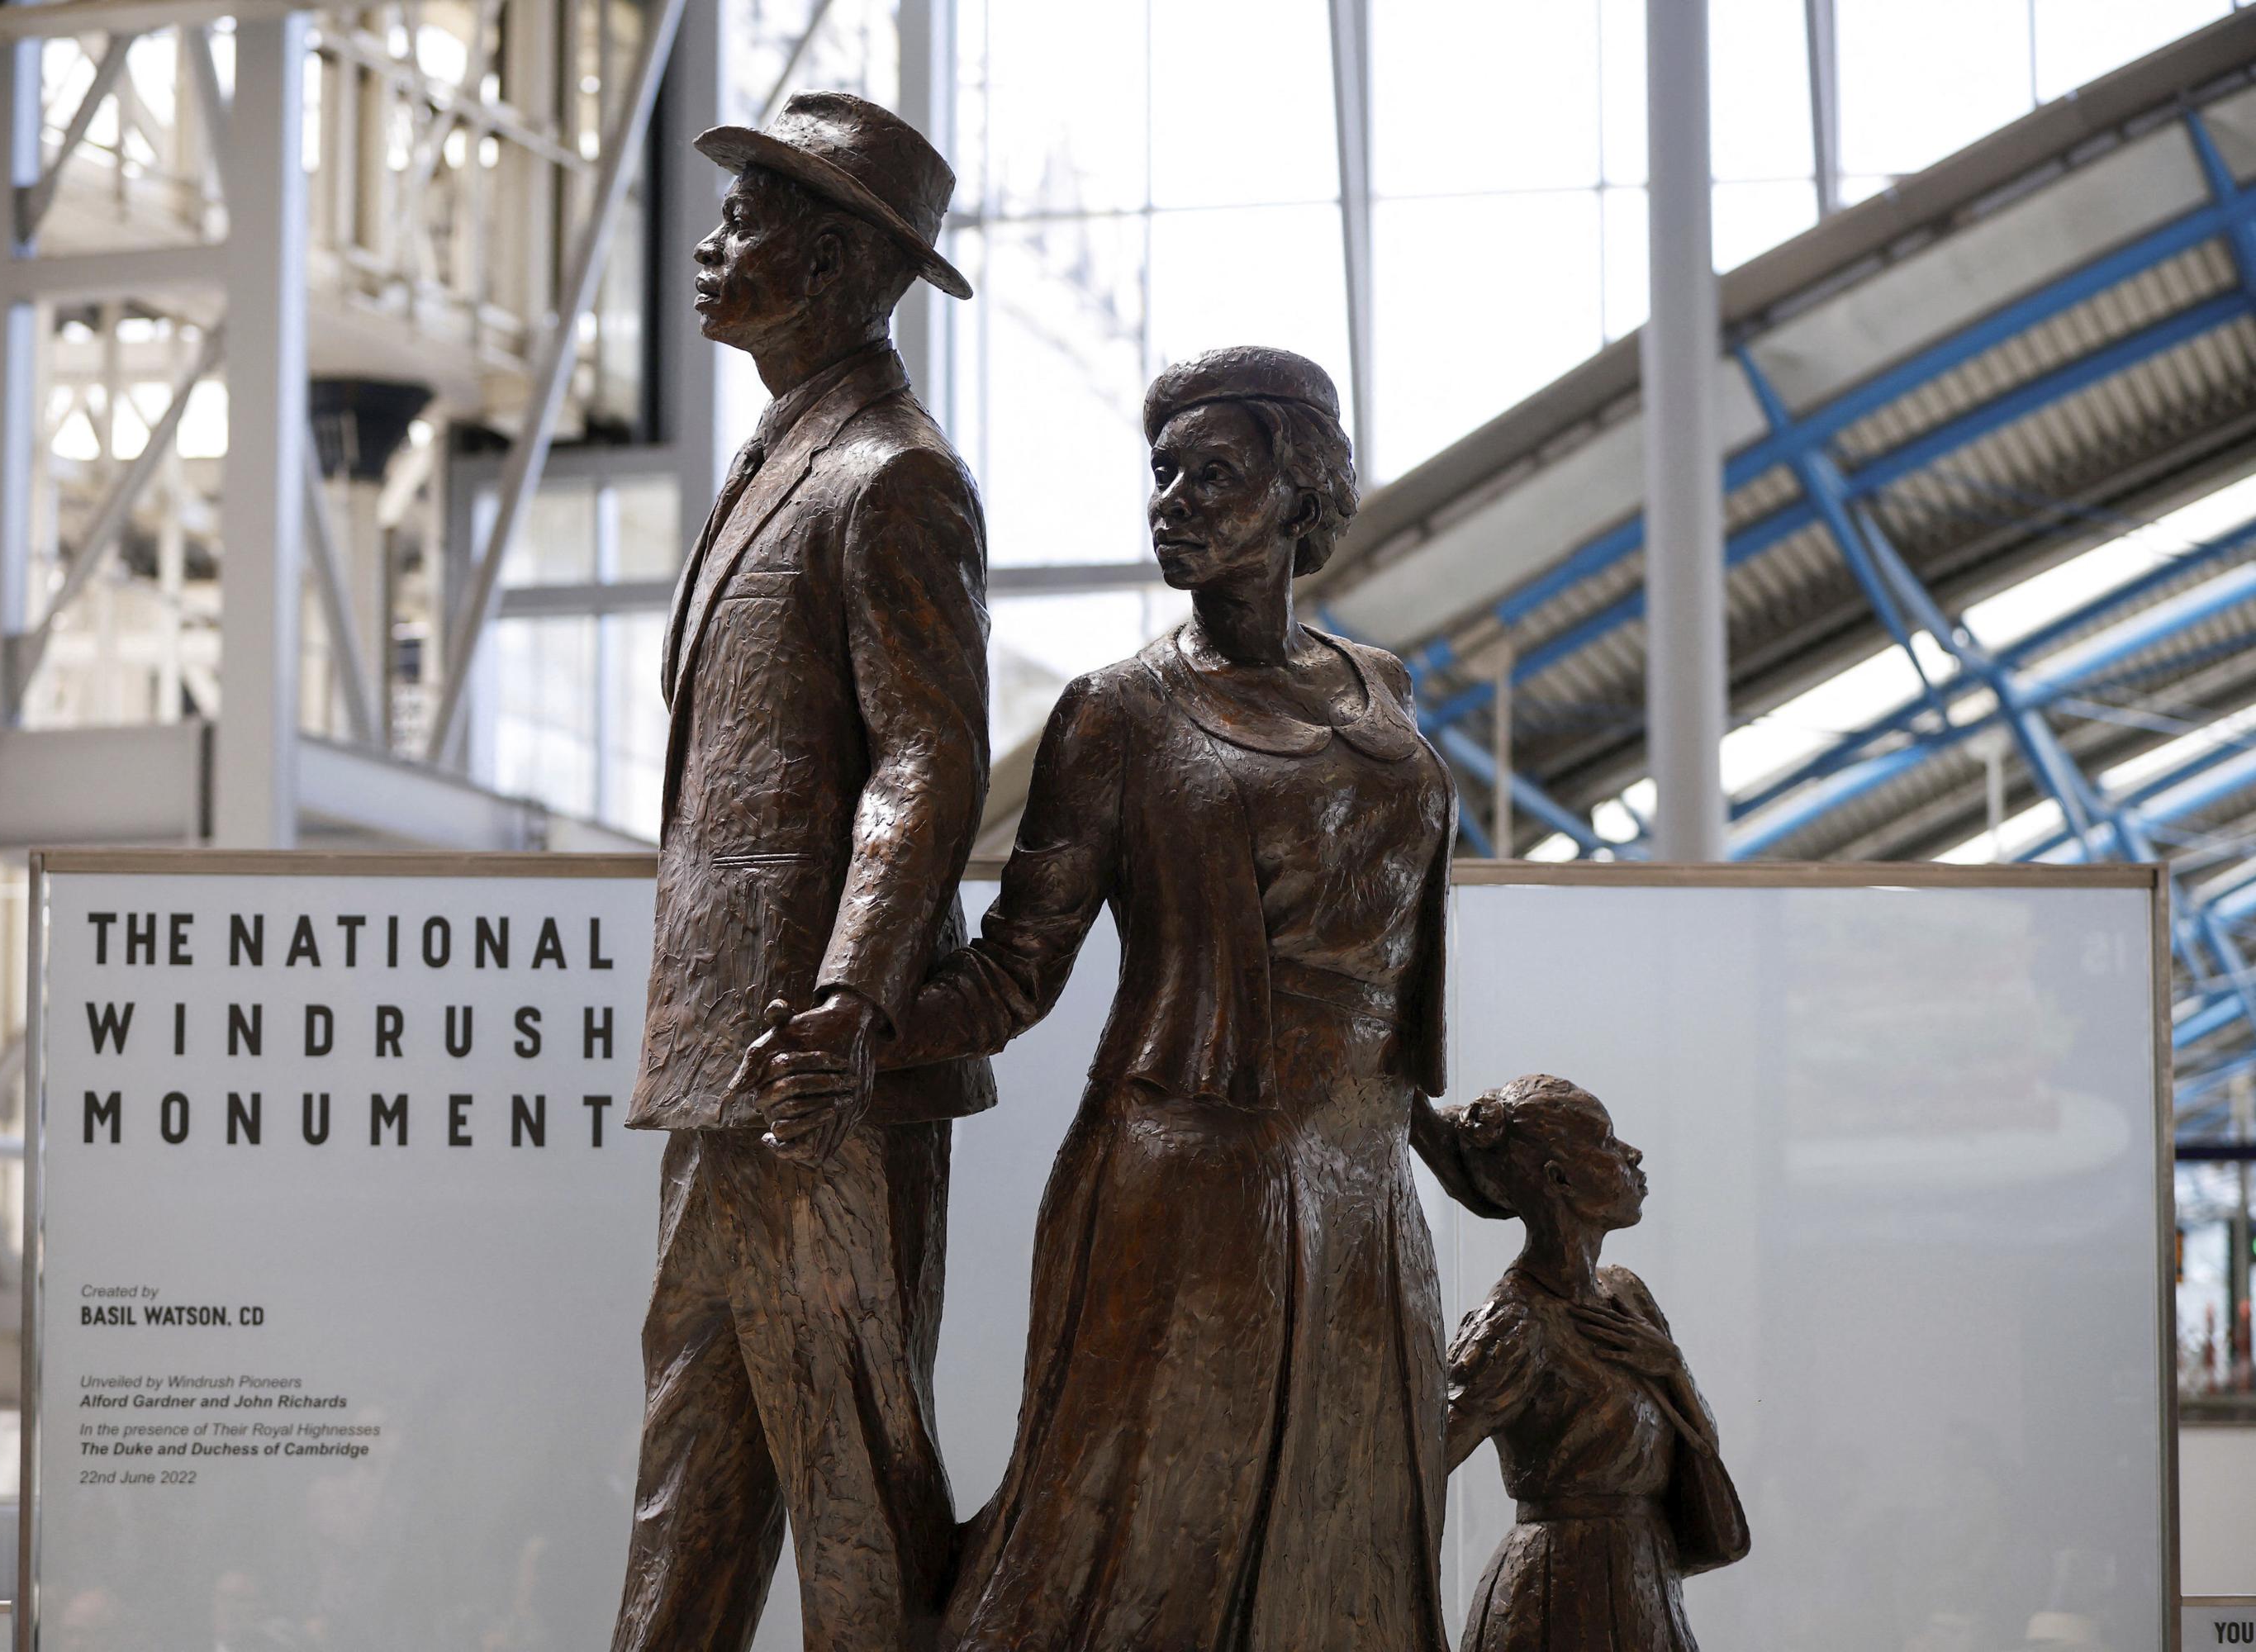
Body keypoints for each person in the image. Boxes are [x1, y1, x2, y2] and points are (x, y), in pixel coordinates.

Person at [742, 345, 1461, 1649]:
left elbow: (1386, 966)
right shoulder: (1117, 717)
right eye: (1165, 473)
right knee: (1136, 1540)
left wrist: (1438, 1133)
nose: (1175, 500)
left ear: (1302, 490)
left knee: (1350, 1520)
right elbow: (1020, 967)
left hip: (1363, 1180)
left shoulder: (1384, 691)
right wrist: (861, 1029)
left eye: (1217, 473)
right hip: (1186, 1184)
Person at [610, 89, 991, 1652]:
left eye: (747, 220)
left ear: (838, 265)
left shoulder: (892, 475)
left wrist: (847, 1003)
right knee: (696, 1466)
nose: (708, 248)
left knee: (848, 1482)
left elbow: (931, 759)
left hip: (814, 1066)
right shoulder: (793, 457)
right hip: (734, 1062)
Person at [1437, 1074, 1749, 1652]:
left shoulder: (1625, 1293)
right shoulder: (1514, 1323)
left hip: (1647, 1574)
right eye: (1606, 1143)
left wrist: (1672, 1368)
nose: (1631, 1155)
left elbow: (1699, 1445)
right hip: (1559, 1588)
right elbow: (1421, 1468)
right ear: (1559, 1179)